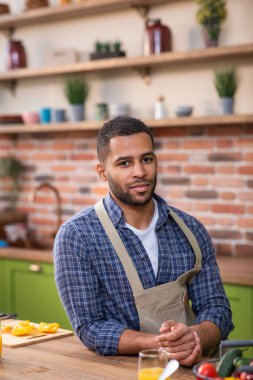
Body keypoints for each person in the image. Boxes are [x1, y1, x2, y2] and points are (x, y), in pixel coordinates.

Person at [54, 116, 233, 366]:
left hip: (191, 367)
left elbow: (218, 310)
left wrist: (195, 336)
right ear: (102, 172)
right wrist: (163, 344)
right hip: (121, 371)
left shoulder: (191, 230)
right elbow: (90, 327)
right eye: (125, 163)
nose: (139, 172)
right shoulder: (77, 236)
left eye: (146, 159)